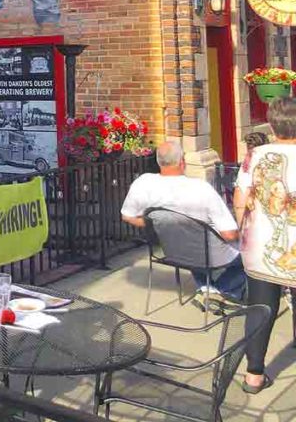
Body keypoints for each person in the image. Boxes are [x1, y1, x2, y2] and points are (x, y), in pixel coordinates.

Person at [120, 141, 244, 303]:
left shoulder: (143, 183)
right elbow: (229, 234)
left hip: (170, 250)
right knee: (253, 257)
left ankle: (205, 288)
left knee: (189, 238)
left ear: (158, 161)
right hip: (207, 254)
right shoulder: (201, 188)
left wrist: (159, 225)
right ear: (182, 162)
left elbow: (127, 216)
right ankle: (220, 289)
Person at [234, 97, 296, 394]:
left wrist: (242, 227)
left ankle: (254, 375)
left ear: (272, 125)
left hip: (259, 246)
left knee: (260, 307)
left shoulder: (255, 154)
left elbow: (239, 199)